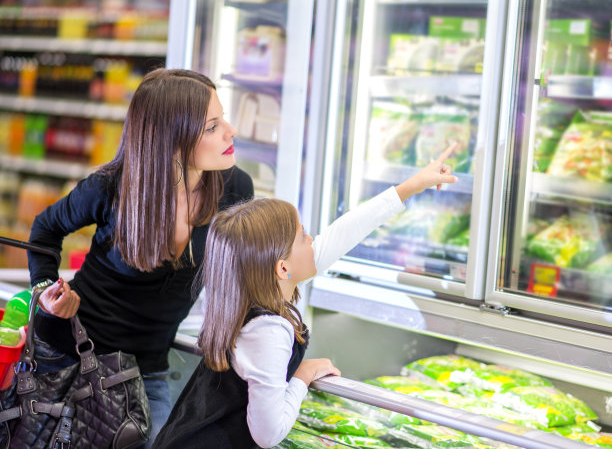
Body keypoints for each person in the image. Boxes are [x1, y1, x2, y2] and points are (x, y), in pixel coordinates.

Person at [153, 143, 459, 449]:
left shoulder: (247, 298)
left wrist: (409, 187)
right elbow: (268, 433)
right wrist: (303, 376)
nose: (313, 239)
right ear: (283, 268)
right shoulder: (268, 331)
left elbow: (342, 233)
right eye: (303, 236)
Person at [26, 68, 254, 447]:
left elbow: (242, 266)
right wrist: (46, 288)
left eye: (223, 118)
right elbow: (45, 228)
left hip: (148, 370)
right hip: (73, 357)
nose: (231, 131)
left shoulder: (234, 188)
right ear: (172, 139)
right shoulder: (112, 188)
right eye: (212, 126)